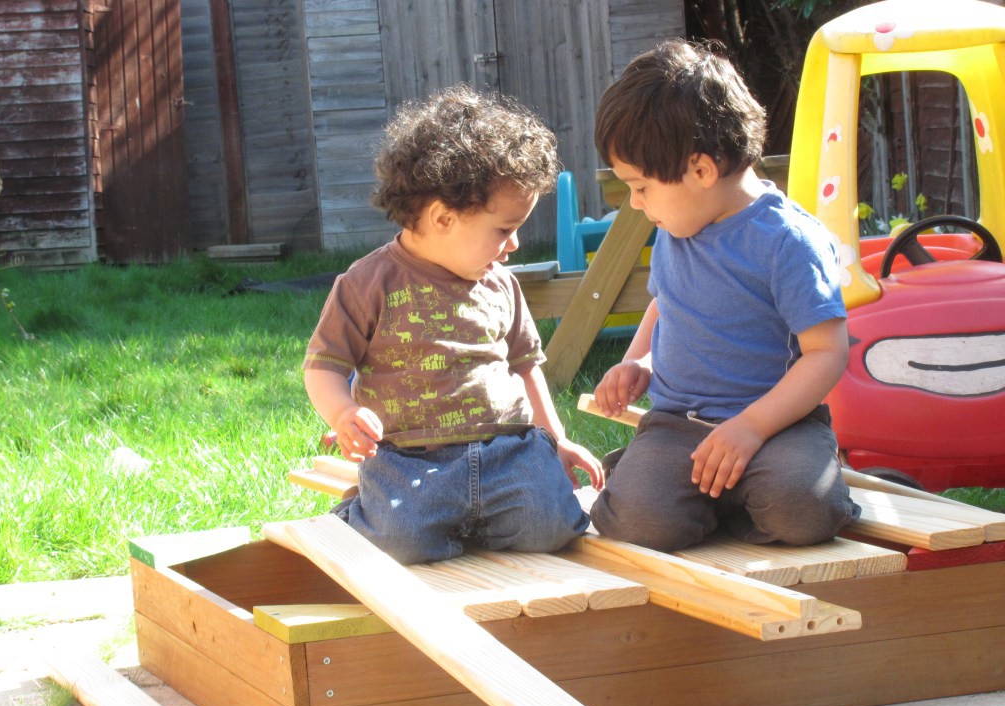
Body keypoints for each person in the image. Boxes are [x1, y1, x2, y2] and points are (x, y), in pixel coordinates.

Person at [303, 84, 603, 565]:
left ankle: (476, 519)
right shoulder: (367, 283)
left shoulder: (501, 284)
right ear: (443, 217)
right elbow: (323, 367)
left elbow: (527, 368)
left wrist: (556, 439)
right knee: (401, 542)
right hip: (409, 459)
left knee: (553, 526)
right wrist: (342, 414)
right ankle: (357, 517)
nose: (516, 245)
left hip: (508, 451)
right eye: (504, 229)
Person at [590, 39, 860, 552]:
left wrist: (752, 428)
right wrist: (637, 361)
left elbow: (827, 352)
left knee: (804, 510)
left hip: (778, 429)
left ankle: (753, 498)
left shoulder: (788, 241)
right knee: (637, 523)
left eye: (641, 185)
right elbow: (665, 302)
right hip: (677, 428)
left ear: (701, 170)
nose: (635, 201)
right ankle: (703, 499)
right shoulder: (678, 224)